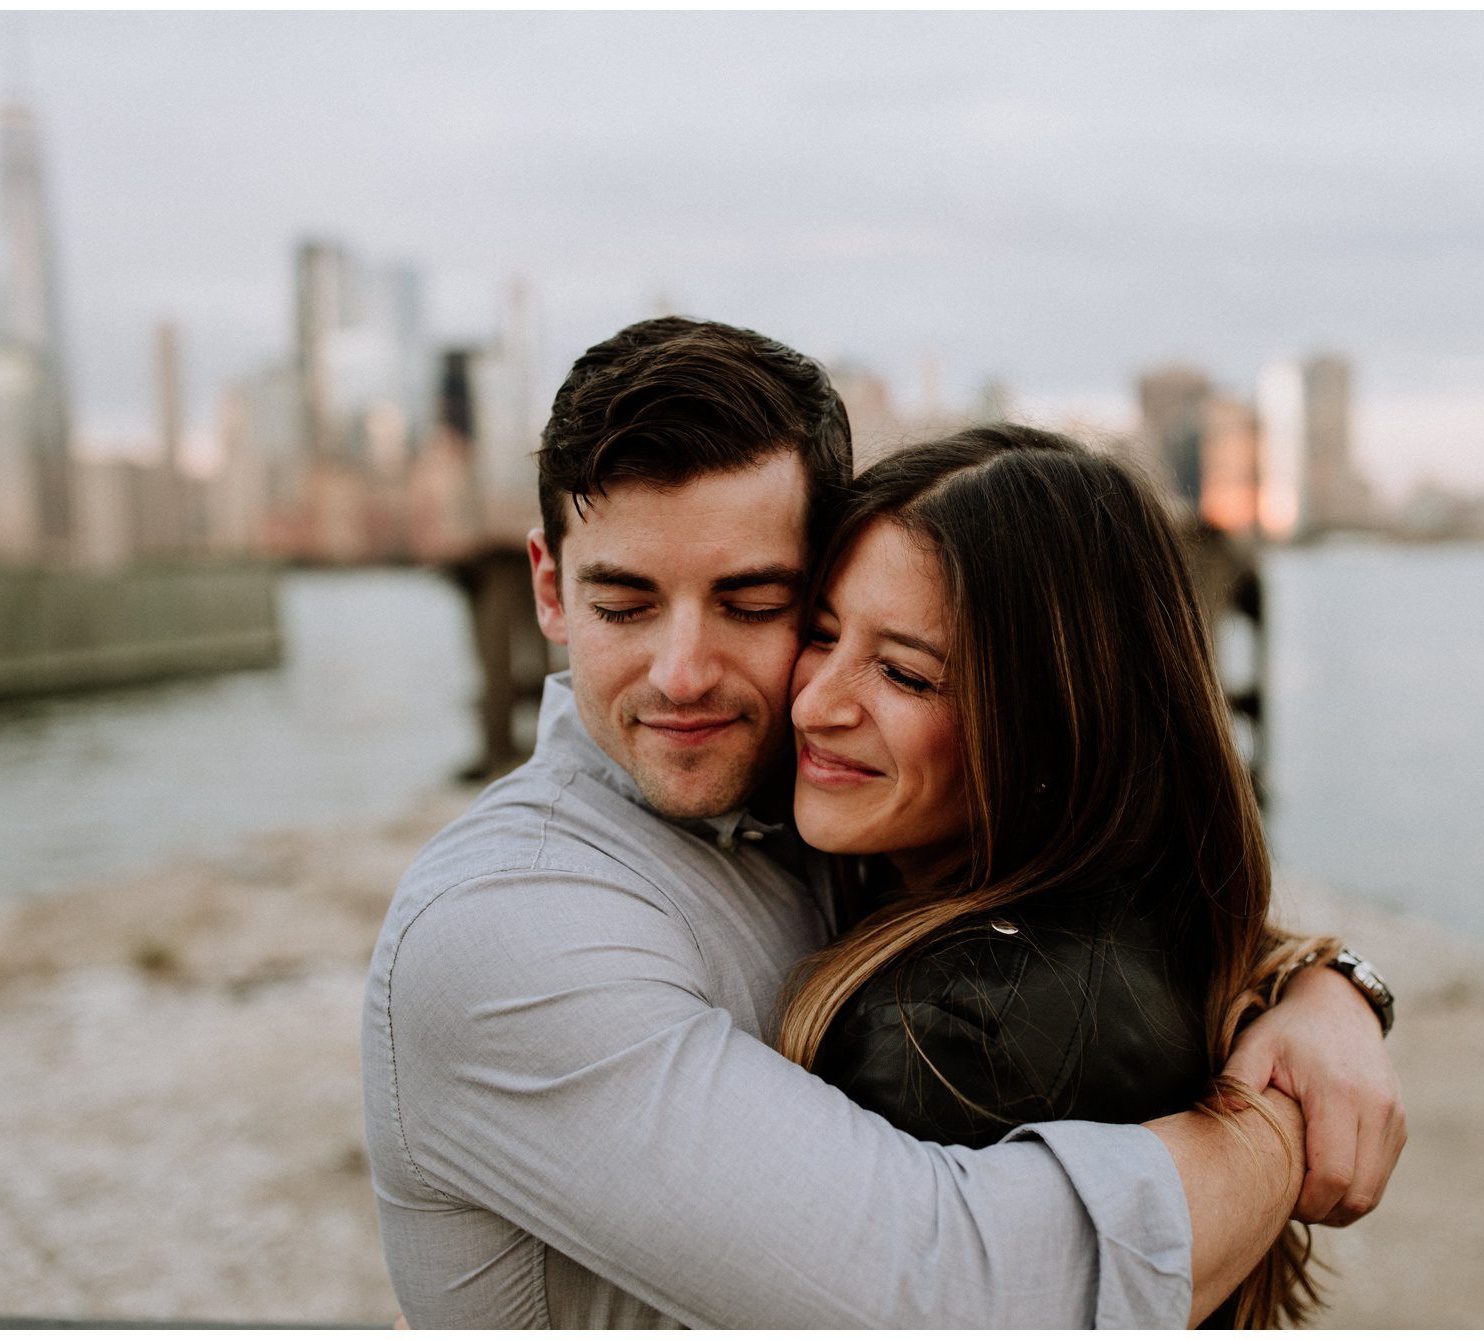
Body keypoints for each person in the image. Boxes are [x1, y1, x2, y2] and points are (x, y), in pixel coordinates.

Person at [361, 317, 1405, 1328]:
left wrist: (1326, 987)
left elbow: (1098, 872)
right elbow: (971, 1298)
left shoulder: (805, 795)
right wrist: (1272, 1124)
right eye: (623, 604)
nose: (682, 676)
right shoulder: (502, 927)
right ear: (548, 590)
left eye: (755, 603)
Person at [780, 426, 1386, 1326]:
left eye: (905, 675)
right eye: (819, 635)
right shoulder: (1166, 903)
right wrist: (1339, 984)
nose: (812, 703)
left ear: (1050, 716)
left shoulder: (941, 1041)